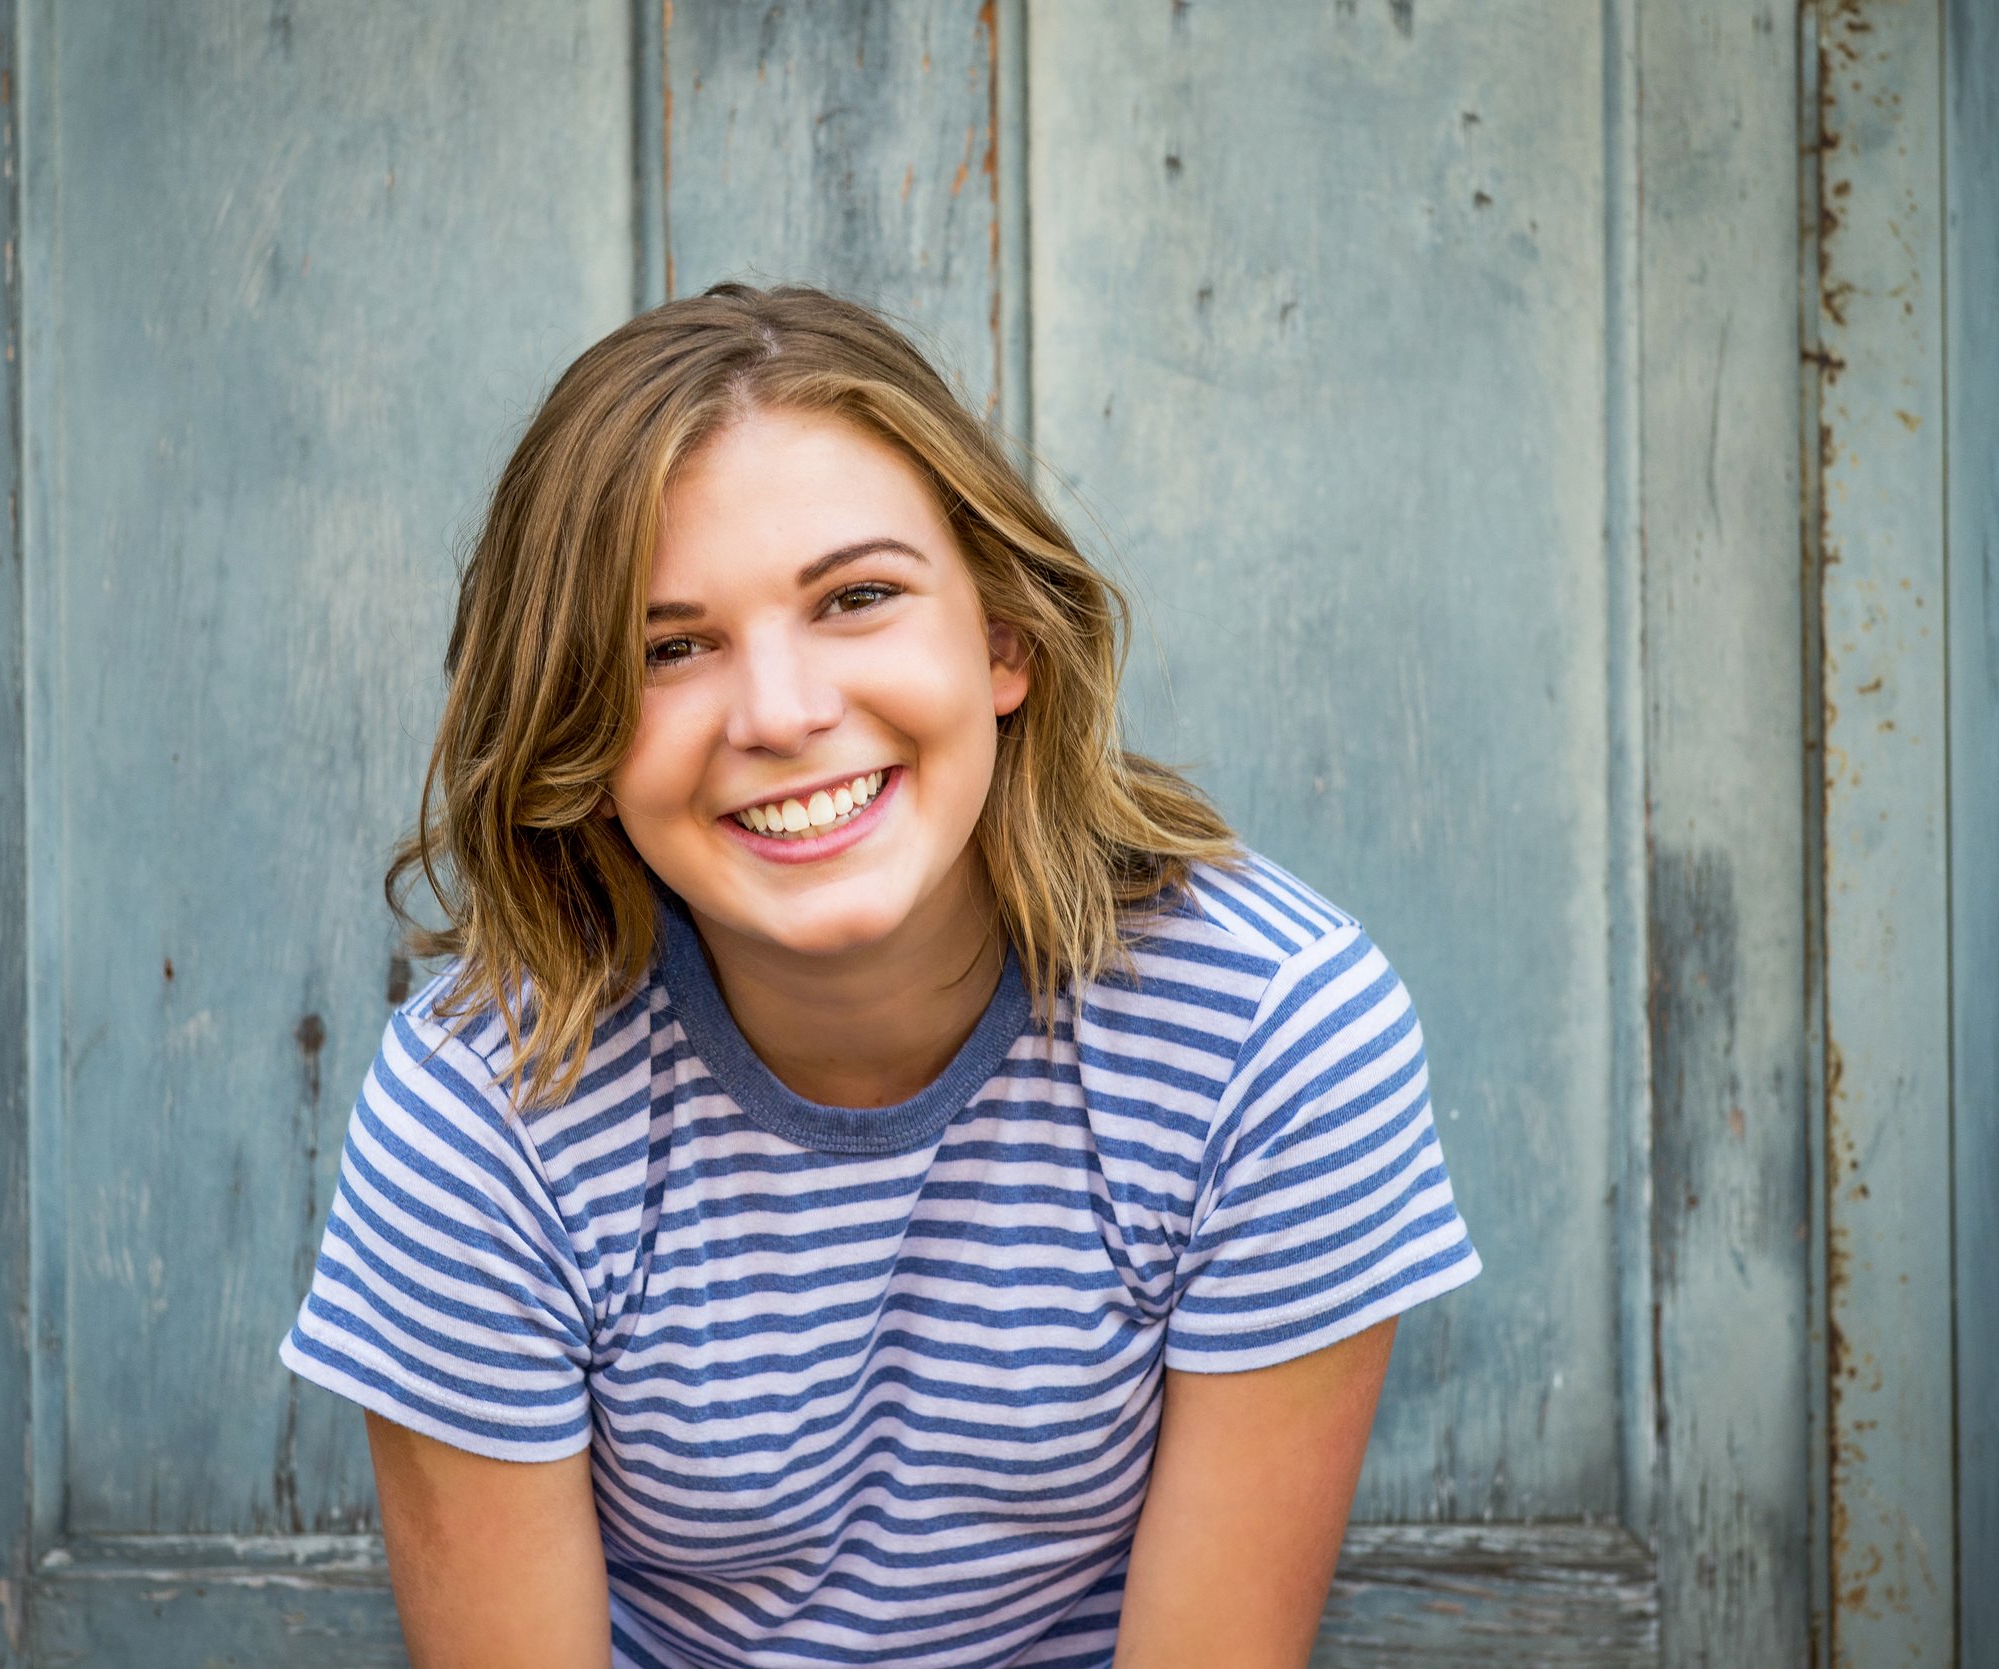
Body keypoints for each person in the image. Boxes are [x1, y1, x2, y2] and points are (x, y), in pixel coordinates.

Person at [277, 282, 1480, 1668]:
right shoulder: (483, 1115)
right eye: (671, 647)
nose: (783, 714)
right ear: (581, 737)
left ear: (1004, 637)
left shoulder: (1272, 1038)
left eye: (858, 598)